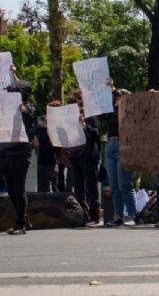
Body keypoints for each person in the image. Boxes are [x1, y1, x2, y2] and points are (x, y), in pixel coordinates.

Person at [0, 78, 37, 235]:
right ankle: (24, 218)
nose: (10, 92)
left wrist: (23, 112)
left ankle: (21, 224)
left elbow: (30, 118)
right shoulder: (5, 107)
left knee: (19, 187)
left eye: (13, 90)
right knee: (12, 189)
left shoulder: (30, 107)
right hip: (6, 150)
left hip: (21, 151)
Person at [103, 83, 137, 227]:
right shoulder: (111, 111)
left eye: (119, 96)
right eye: (115, 97)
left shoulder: (130, 111)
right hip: (110, 145)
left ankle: (132, 214)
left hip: (124, 145)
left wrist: (113, 89)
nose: (116, 99)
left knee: (124, 183)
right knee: (114, 184)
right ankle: (118, 215)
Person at [68, 92, 102, 227]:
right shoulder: (70, 115)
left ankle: (94, 217)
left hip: (89, 155)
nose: (79, 103)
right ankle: (83, 215)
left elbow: (96, 133)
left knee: (91, 187)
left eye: (81, 101)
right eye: (76, 101)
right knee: (78, 187)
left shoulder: (90, 115)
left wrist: (84, 125)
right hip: (76, 155)